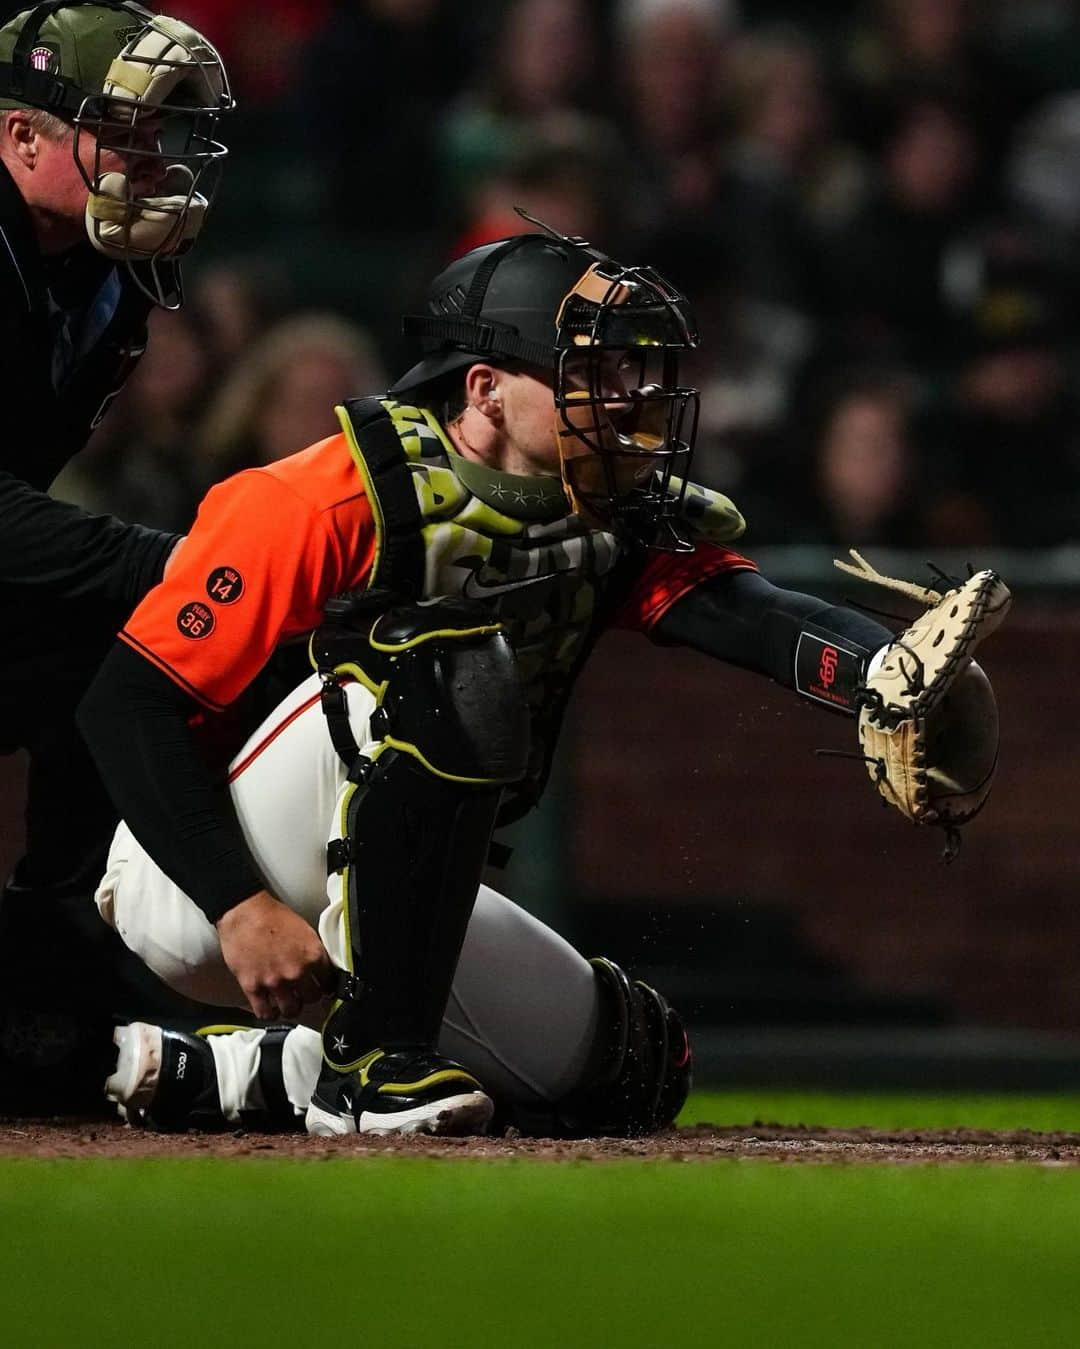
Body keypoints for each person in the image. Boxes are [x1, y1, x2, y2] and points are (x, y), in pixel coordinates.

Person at [78, 224, 910, 1139]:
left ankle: (256, 1072)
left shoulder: (599, 505)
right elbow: (126, 703)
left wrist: (886, 670)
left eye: (636, 370)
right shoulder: (328, 494)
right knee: (451, 657)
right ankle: (368, 1070)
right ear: (485, 388)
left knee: (632, 1065)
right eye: (596, 372)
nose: (630, 396)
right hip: (198, 874)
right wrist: (237, 907)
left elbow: (740, 608)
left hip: (383, 887)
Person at [0, 0, 229, 1102]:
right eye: (121, 132)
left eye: (156, 137)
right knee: (140, 595)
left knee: (130, 645)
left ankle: (46, 955)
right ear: (22, 138)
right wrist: (169, 557)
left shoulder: (98, 279)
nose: (149, 162)